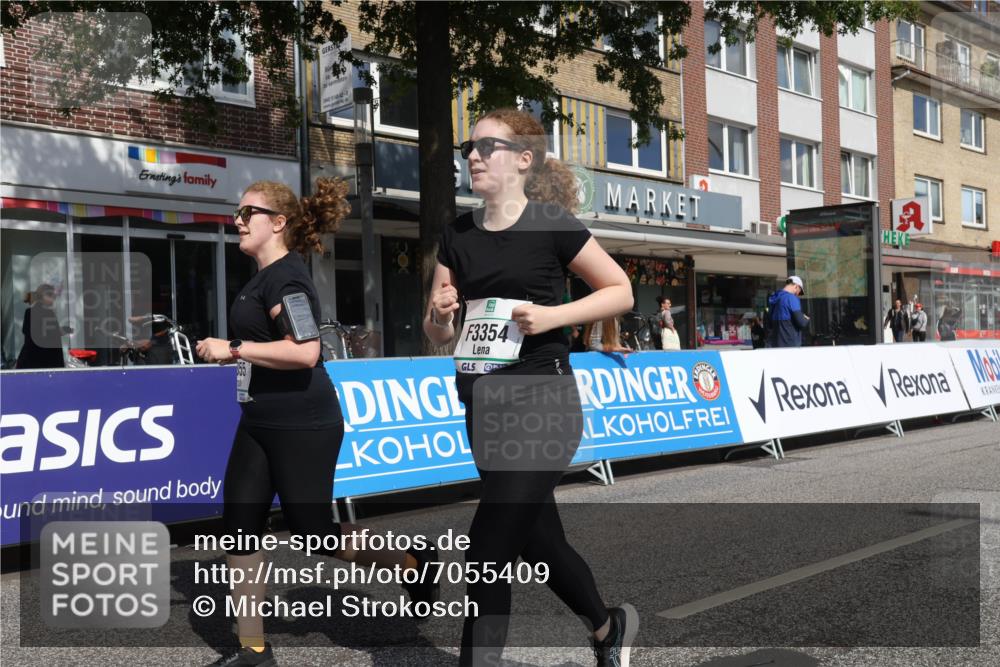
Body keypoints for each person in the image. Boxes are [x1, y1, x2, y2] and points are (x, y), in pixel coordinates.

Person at [426, 108, 639, 667]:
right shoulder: (457, 237)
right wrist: (442, 316)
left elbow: (619, 291)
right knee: (538, 541)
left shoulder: (551, 224)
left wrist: (552, 317)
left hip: (543, 402)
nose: (471, 156)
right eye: (466, 149)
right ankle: (605, 626)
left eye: (485, 146)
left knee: (486, 550)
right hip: (484, 408)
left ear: (523, 159)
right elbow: (438, 332)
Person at [195, 179, 438, 667]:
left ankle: (413, 561)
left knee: (313, 534)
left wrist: (234, 349)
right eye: (237, 212)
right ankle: (254, 652)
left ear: (277, 223)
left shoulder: (287, 278)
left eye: (248, 212)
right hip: (259, 419)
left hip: (303, 420)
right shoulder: (261, 278)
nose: (237, 220)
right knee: (239, 524)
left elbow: (305, 352)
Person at [16, 284, 72, 369]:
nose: (54, 299)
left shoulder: (29, 312)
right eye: (52, 296)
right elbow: (52, 334)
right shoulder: (48, 313)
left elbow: (29, 332)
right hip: (47, 361)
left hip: (30, 361)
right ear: (44, 297)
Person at [766, 276, 809, 348]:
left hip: (775, 345)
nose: (798, 294)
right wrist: (806, 318)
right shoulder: (791, 298)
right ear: (796, 286)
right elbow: (802, 322)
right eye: (799, 291)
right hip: (790, 345)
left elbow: (769, 323)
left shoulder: (774, 298)